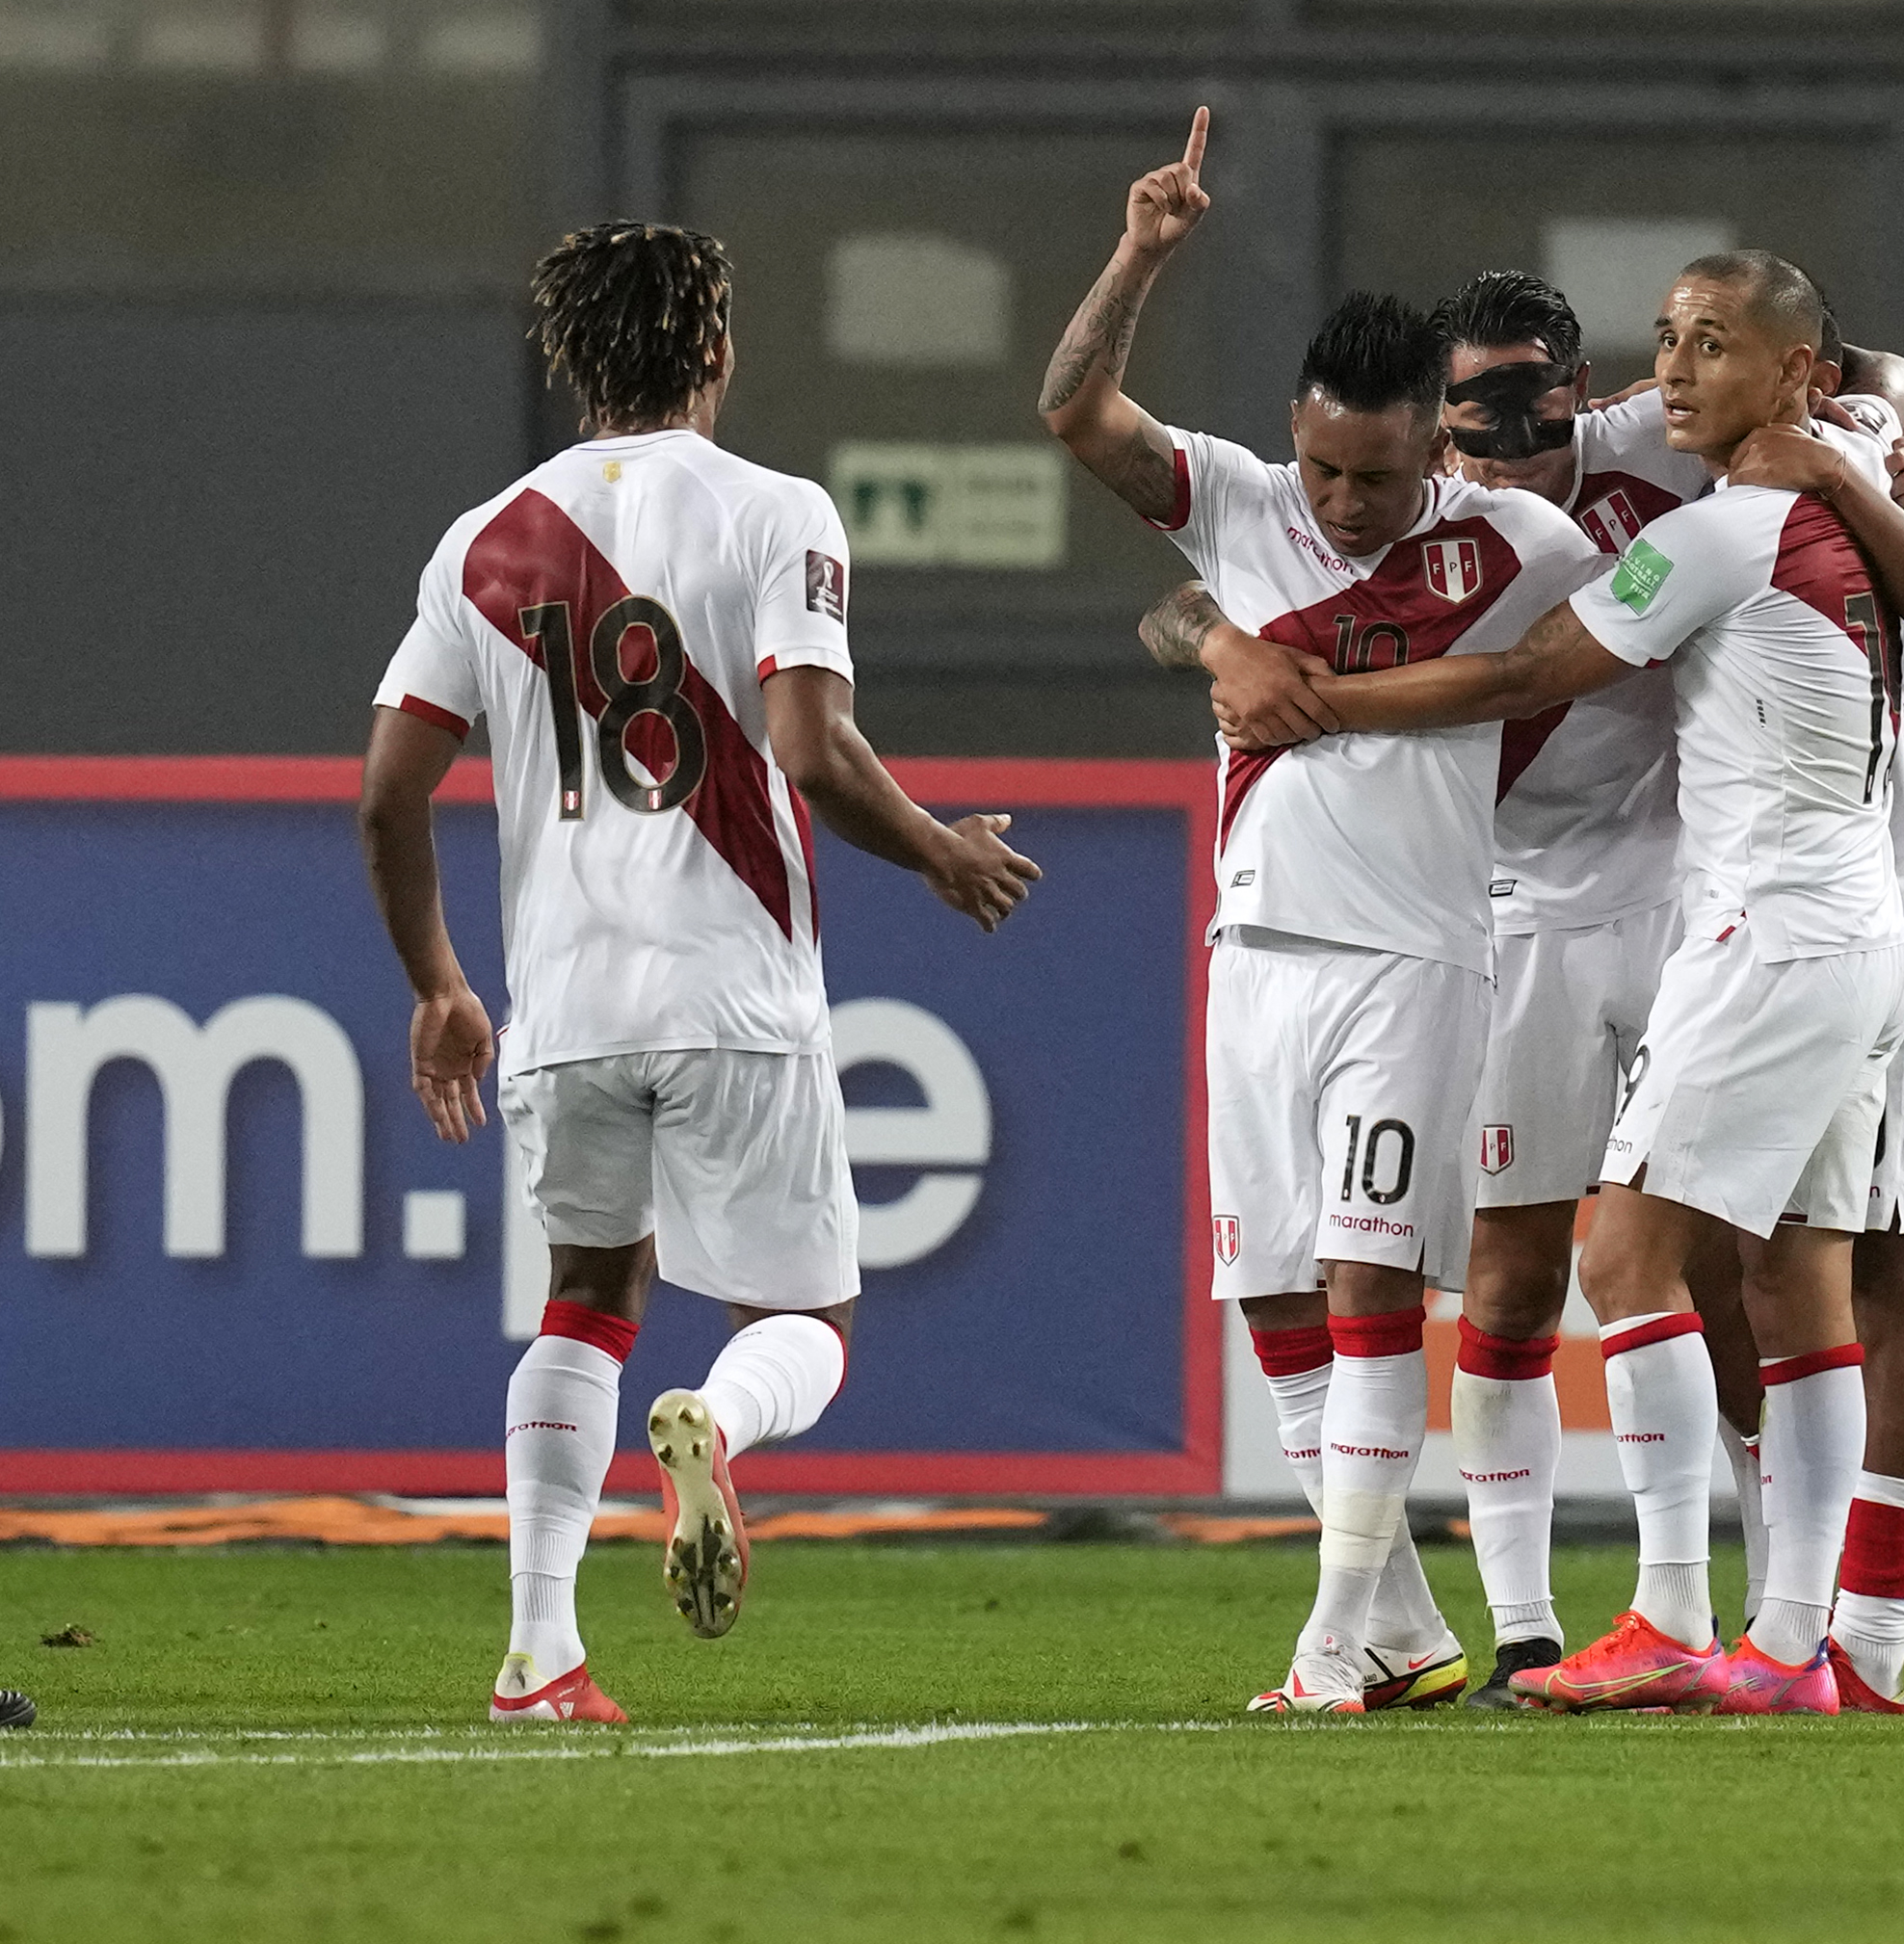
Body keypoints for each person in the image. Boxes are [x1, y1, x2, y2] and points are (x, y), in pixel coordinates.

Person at [1215, 250, 1904, 1716]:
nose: (1677, 371)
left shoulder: (1705, 519)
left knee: (1642, 1260)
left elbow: (1528, 675)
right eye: (1669, 343)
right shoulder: (1802, 488)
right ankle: (1773, 1645)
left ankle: (1687, 1615)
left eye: (1709, 347)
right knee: (1734, 1281)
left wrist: (1307, 701)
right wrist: (1868, 443)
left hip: (1733, 920)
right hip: (1781, 925)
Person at [359, 221, 1041, 1723]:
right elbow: (806, 744)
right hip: (731, 986)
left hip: (564, 1002)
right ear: (716, 351)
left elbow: (388, 794)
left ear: (570, 358)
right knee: (810, 1326)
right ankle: (718, 1430)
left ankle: (540, 1653)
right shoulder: (777, 511)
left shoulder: (485, 537)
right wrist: (935, 847)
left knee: (586, 1298)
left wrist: (439, 985)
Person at [1041, 116, 1600, 1714]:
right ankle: (1408, 1630)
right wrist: (1143, 252)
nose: (1345, 503)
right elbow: (1075, 410)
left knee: (1369, 1290)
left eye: (1378, 472)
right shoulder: (1236, 499)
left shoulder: (1522, 542)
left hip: (1417, 959)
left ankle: (1324, 1648)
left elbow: (1576, 657)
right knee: (1275, 1296)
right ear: (1292, 438)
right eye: (1323, 468)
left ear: (1443, 443)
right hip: (1256, 949)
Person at [1723, 325, 1904, 1715]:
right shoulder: (1754, 512)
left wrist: (1867, 458)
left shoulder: (1901, 513)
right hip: (1788, 937)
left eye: (1894, 420)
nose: (1865, 429)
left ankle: (1870, 1639)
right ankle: (1819, 1577)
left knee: (1903, 1300)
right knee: (1728, 1265)